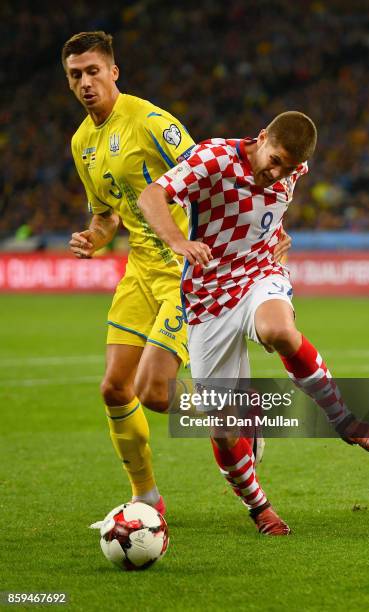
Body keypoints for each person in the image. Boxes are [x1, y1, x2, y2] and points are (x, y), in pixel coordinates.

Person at [138, 111, 369, 535]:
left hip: (259, 275)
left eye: (287, 169)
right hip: (207, 298)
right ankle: (259, 507)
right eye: (274, 161)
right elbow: (151, 197)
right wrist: (178, 241)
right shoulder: (214, 157)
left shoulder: (294, 167)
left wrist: (276, 238)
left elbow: (269, 209)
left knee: (278, 331)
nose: (277, 174)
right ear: (261, 138)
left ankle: (344, 421)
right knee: (221, 425)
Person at [63, 31, 197, 514]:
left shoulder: (150, 121)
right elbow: (106, 215)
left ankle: (234, 419)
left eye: (93, 71)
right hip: (139, 271)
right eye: (75, 75)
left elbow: (206, 176)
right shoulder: (82, 142)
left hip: (185, 273)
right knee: (114, 388)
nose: (85, 82)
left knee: (156, 393)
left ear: (113, 71)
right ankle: (147, 499)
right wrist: (92, 238)